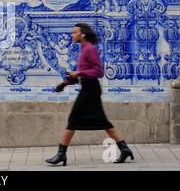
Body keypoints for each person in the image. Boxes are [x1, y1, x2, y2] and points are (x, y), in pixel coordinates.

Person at [46, 23, 135, 166]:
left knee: (73, 119)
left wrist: (79, 73)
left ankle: (61, 154)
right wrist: (65, 84)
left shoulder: (90, 49)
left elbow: (98, 72)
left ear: (83, 35)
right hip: (88, 89)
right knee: (103, 122)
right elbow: (81, 73)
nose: (72, 35)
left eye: (75, 33)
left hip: (90, 91)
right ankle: (125, 149)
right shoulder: (84, 49)